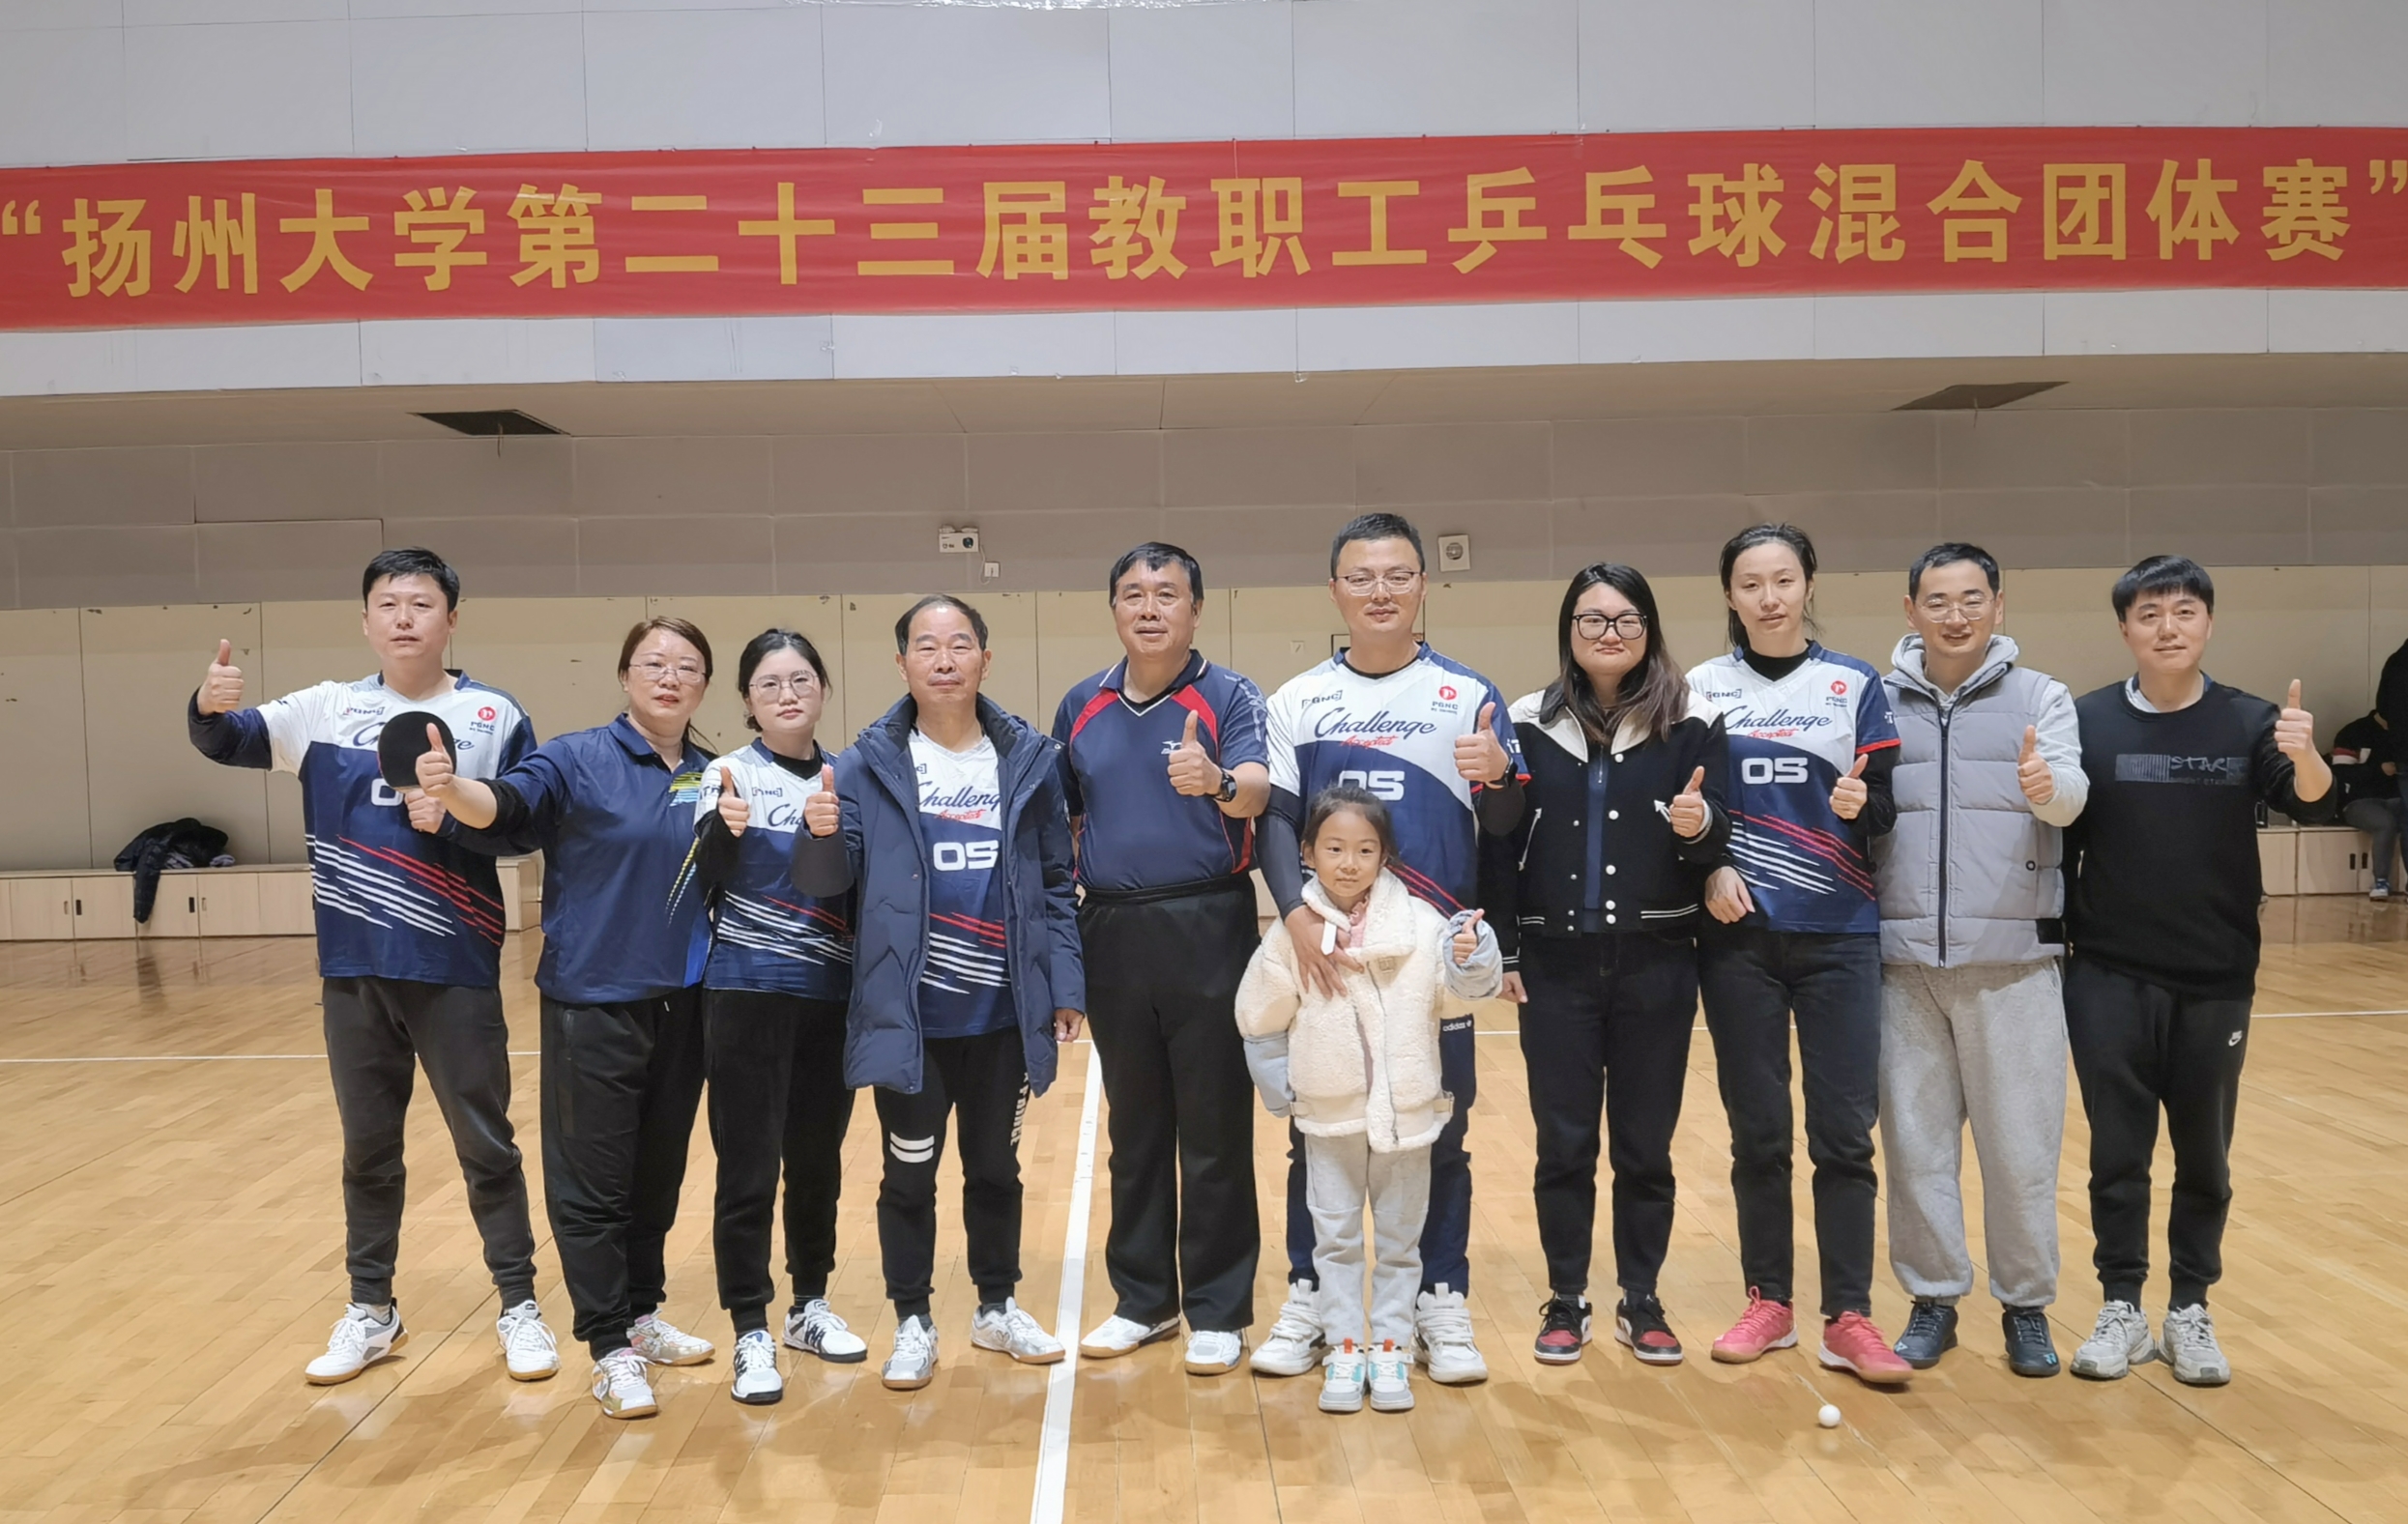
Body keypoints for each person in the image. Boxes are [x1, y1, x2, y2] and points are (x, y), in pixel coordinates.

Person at [187, 548, 555, 1387]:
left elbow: (526, 825)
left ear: (451, 618)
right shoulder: (323, 708)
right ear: (364, 620)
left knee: (487, 1146)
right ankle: (371, 1307)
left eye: (420, 603)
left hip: (455, 962)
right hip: (354, 967)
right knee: (368, 1151)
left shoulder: (493, 715)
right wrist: (207, 706)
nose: (403, 617)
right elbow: (228, 740)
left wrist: (452, 813)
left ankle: (518, 1303)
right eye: (387, 603)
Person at [417, 617, 723, 1420]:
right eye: (653, 662)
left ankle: (643, 1312)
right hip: (593, 1000)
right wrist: (450, 789)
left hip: (685, 1000)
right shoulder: (575, 757)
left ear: (703, 684)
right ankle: (608, 1344)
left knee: (657, 1172)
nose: (669, 677)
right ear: (624, 675)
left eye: (687, 666)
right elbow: (504, 804)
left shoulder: (712, 772)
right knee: (594, 1182)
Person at [1251, 512, 1525, 1388]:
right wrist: (1295, 915)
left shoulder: (1466, 694)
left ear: (1422, 585)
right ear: (1335, 588)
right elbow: (1275, 821)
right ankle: (1311, 1298)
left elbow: (1507, 827)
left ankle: (1438, 1299)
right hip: (1329, 962)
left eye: (1397, 574)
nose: (1380, 591)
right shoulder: (1296, 699)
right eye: (1362, 576)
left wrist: (1499, 777)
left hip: (1427, 969)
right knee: (1318, 1133)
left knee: (1439, 1136)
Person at [790, 595, 1084, 1391]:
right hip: (908, 1022)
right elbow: (825, 884)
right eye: (926, 645)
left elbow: (1056, 883)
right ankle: (913, 1317)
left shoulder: (1028, 760)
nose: (944, 659)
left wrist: (1063, 983)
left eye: (959, 644)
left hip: (1002, 1018)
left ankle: (996, 1305)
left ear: (985, 657)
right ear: (902, 664)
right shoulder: (862, 766)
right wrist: (817, 832)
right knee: (908, 1174)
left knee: (995, 1168)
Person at [2062, 556, 2335, 1387]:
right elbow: (2060, 828)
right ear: (2123, 629)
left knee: (2204, 1155)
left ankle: (2189, 1307)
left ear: (2208, 623)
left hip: (2215, 973)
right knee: (2117, 1151)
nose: (2167, 627)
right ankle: (2119, 1304)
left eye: (2183, 611)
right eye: (2148, 614)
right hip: (2106, 970)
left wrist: (2306, 753)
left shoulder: (2251, 720)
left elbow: (2310, 799)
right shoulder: (2087, 719)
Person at [1481, 563, 1728, 1367]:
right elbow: (1499, 840)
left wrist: (1698, 825)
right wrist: (1506, 949)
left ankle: (1641, 1298)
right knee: (1562, 1142)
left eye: (1625, 619)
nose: (1608, 632)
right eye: (1591, 619)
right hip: (1553, 966)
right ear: (1569, 632)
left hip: (1658, 962)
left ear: (1648, 629)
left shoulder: (1692, 720)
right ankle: (1565, 1297)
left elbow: (1718, 837)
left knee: (1645, 1145)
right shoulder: (1526, 721)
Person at [1687, 523, 1913, 1387]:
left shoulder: (1853, 682)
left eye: (1783, 579)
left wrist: (1862, 804)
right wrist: (1709, 866)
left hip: (1839, 934)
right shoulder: (1701, 687)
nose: (1769, 597)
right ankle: (1769, 1301)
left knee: (1843, 1134)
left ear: (1808, 583)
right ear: (1730, 594)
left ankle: (1848, 1314)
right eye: (1751, 583)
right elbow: (1686, 811)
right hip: (1738, 939)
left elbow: (1881, 805)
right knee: (1758, 1132)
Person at [1871, 544, 2087, 1379]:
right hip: (1902, 966)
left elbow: (2069, 797)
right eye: (1936, 599)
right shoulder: (1877, 699)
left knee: (2020, 1152)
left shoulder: (2041, 696)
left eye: (1971, 598)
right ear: (1910, 609)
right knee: (1915, 1149)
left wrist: (2043, 786)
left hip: (2013, 962)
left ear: (1998, 604)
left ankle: (2026, 1306)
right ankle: (1932, 1299)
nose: (1954, 614)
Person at [1054, 545, 1270, 1376]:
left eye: (1166, 594)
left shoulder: (1229, 694)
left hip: (1209, 921)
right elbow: (1063, 817)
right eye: (1132, 594)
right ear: (1113, 608)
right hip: (1110, 927)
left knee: (1213, 1126)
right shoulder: (1081, 703)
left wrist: (1215, 780)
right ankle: (1144, 1300)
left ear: (1195, 608)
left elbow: (1255, 789)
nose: (1149, 608)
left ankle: (1218, 1308)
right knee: (1134, 1127)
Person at [1236, 785, 1502, 1415]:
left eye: (1364, 849)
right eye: (1333, 848)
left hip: (1405, 1115)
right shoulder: (1294, 936)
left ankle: (1390, 1344)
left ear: (1385, 856)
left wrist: (1470, 958)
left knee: (1401, 1242)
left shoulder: (1421, 924)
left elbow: (1459, 996)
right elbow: (1258, 1012)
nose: (1349, 863)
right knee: (1333, 1240)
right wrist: (1284, 1089)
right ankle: (1343, 1344)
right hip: (1328, 1117)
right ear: (1307, 852)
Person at [689, 629, 865, 1406]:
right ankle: (749, 1327)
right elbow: (702, 876)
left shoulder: (849, 778)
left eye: (800, 680)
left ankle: (808, 1305)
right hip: (745, 994)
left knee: (817, 1162)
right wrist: (721, 833)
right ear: (747, 700)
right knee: (748, 1167)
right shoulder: (727, 774)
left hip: (829, 995)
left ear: (822, 688)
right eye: (769, 683)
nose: (786, 694)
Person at [2329, 709, 2400, 900]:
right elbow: (2340, 772)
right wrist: (2379, 770)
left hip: (2398, 799)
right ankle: (2381, 881)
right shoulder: (2353, 732)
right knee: (2385, 823)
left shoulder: (2401, 732)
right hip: (2357, 802)